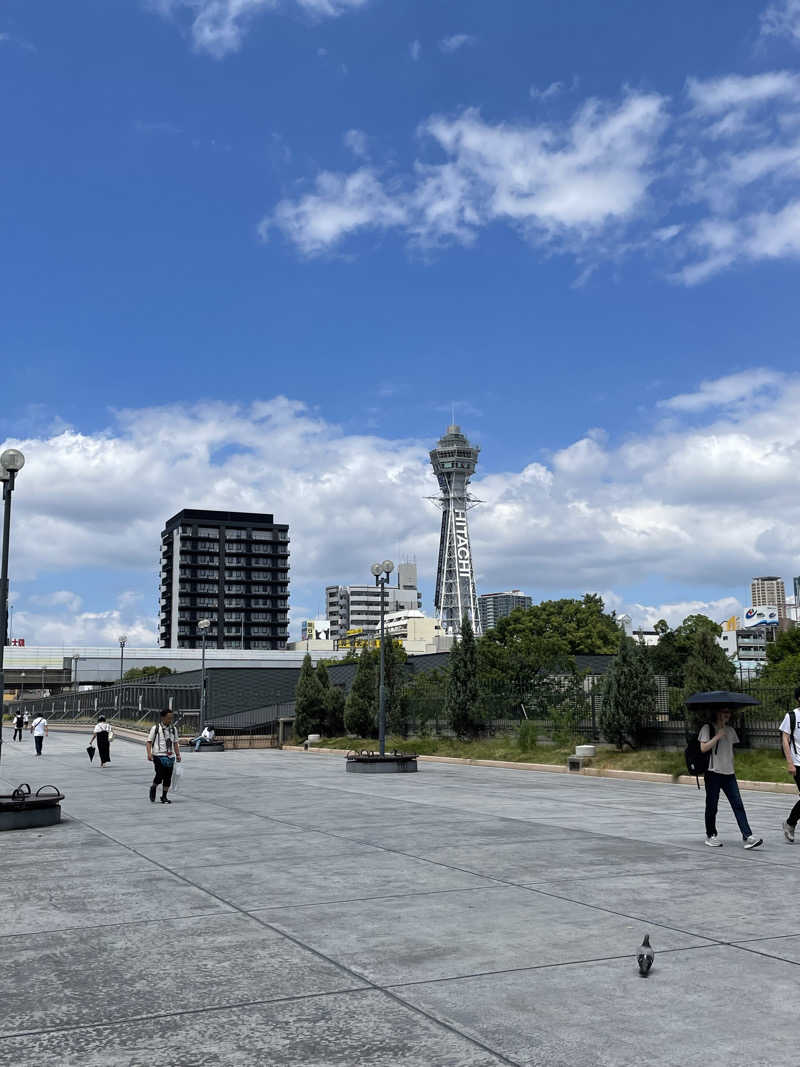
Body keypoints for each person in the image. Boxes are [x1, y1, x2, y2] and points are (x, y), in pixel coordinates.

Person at [699, 706, 762, 849]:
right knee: (712, 806)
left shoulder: (731, 730)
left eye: (729, 712)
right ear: (717, 712)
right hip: (713, 773)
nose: (727, 714)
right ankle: (711, 835)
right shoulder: (707, 728)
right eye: (724, 712)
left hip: (729, 774)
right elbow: (703, 748)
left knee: (738, 804)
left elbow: (730, 750)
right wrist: (717, 736)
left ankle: (747, 836)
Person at [146, 708, 181, 804]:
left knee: (168, 777)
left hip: (170, 756)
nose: (170, 720)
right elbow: (149, 742)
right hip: (158, 755)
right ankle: (154, 786)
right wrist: (149, 754)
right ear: (162, 717)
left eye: (171, 718)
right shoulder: (156, 728)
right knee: (159, 775)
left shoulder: (173, 729)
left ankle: (164, 796)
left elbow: (175, 743)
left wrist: (178, 755)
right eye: (168, 718)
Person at [780, 687, 800, 842]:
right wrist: (789, 762)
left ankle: (790, 823)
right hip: (798, 763)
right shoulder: (792, 716)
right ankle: (790, 823)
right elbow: (785, 740)